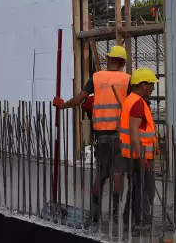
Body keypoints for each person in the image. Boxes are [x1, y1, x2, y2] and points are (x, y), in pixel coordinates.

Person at [53, 45, 131, 221]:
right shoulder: (127, 80)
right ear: (123, 62)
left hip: (101, 134)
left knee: (101, 173)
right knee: (118, 172)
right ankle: (115, 212)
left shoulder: (96, 78)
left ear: (108, 59)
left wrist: (63, 104)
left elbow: (80, 98)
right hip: (120, 134)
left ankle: (95, 212)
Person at [119, 68, 159, 229]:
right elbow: (134, 130)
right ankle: (140, 221)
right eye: (151, 85)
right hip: (139, 154)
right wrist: (142, 155)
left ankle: (130, 220)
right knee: (145, 189)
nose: (153, 88)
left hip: (133, 154)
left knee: (136, 187)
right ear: (143, 85)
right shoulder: (137, 103)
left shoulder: (131, 99)